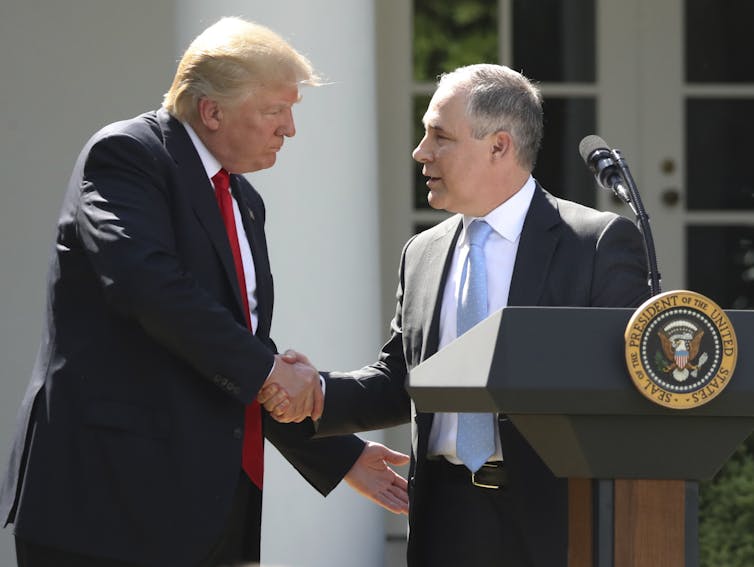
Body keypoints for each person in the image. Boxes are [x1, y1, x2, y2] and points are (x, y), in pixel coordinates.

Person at [0, 17, 408, 567]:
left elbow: (230, 349)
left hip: (208, 510)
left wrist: (339, 454)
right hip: (106, 505)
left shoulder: (243, 199)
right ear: (211, 111)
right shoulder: (126, 154)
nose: (289, 129)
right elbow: (148, 287)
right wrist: (273, 374)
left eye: (292, 111)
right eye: (274, 111)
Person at [262, 63, 651, 566]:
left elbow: (620, 388)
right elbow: (402, 380)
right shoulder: (421, 253)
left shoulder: (596, 243)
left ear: (499, 146)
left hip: (558, 518)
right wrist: (316, 393)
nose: (420, 153)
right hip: (445, 517)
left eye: (439, 137)